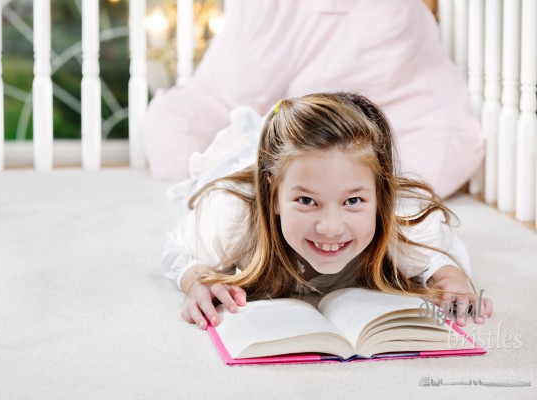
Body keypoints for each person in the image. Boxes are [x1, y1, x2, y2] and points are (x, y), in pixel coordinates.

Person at [161, 92, 492, 331]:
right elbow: (177, 248)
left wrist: (452, 279)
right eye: (306, 201)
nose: (331, 228)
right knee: (213, 178)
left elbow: (441, 253)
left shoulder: (401, 219)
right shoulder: (231, 215)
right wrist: (196, 280)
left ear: (379, 197)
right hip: (237, 167)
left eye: (352, 202)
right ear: (274, 196)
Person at [143, 0, 484, 199]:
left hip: (361, 127)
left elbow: (381, 94)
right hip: (268, 124)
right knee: (172, 132)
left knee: (425, 163)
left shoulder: (394, 11)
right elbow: (238, 84)